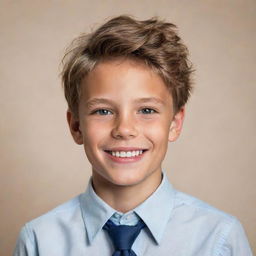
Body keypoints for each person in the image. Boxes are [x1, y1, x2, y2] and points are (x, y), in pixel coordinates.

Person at [14, 15, 252, 256]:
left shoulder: (219, 239)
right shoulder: (39, 241)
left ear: (174, 124)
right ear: (76, 126)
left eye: (147, 110)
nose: (124, 129)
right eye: (103, 111)